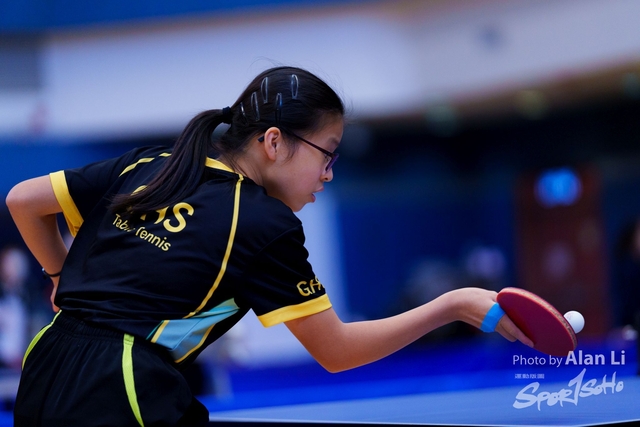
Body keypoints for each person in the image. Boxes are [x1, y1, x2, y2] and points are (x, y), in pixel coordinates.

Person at [6, 66, 532, 427]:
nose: (328, 174)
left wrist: (58, 276)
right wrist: (454, 304)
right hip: (119, 386)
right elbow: (338, 352)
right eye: (326, 154)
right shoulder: (263, 222)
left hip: (45, 363)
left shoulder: (152, 164)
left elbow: (23, 200)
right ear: (274, 142)